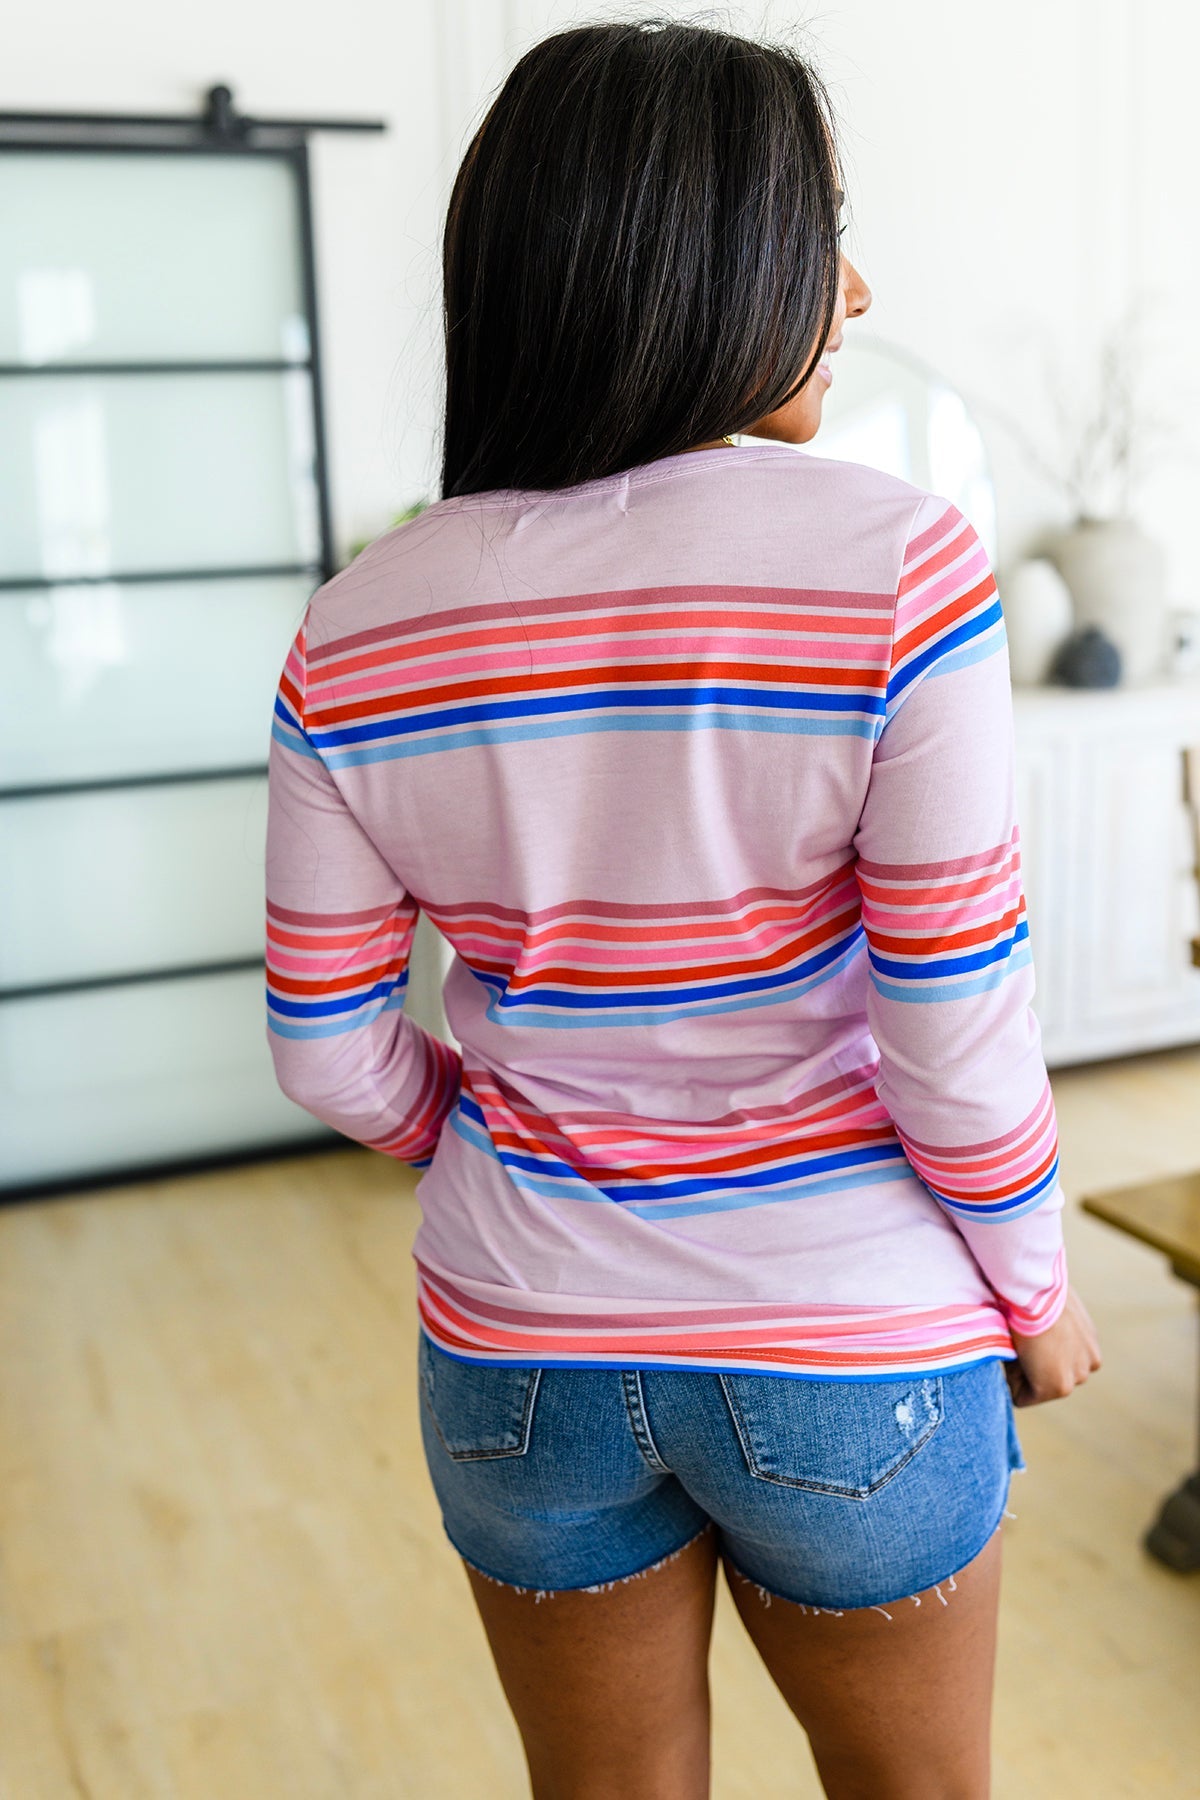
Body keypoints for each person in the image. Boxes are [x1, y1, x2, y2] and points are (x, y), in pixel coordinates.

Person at [265, 20, 1102, 1798]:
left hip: (517, 1348)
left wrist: (486, 1128)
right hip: (848, 1342)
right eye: (823, 235)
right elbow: (952, 1031)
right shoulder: (900, 562)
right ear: (702, 255)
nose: (855, 289)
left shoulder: (356, 624)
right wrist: (1032, 1284)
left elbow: (326, 1053)